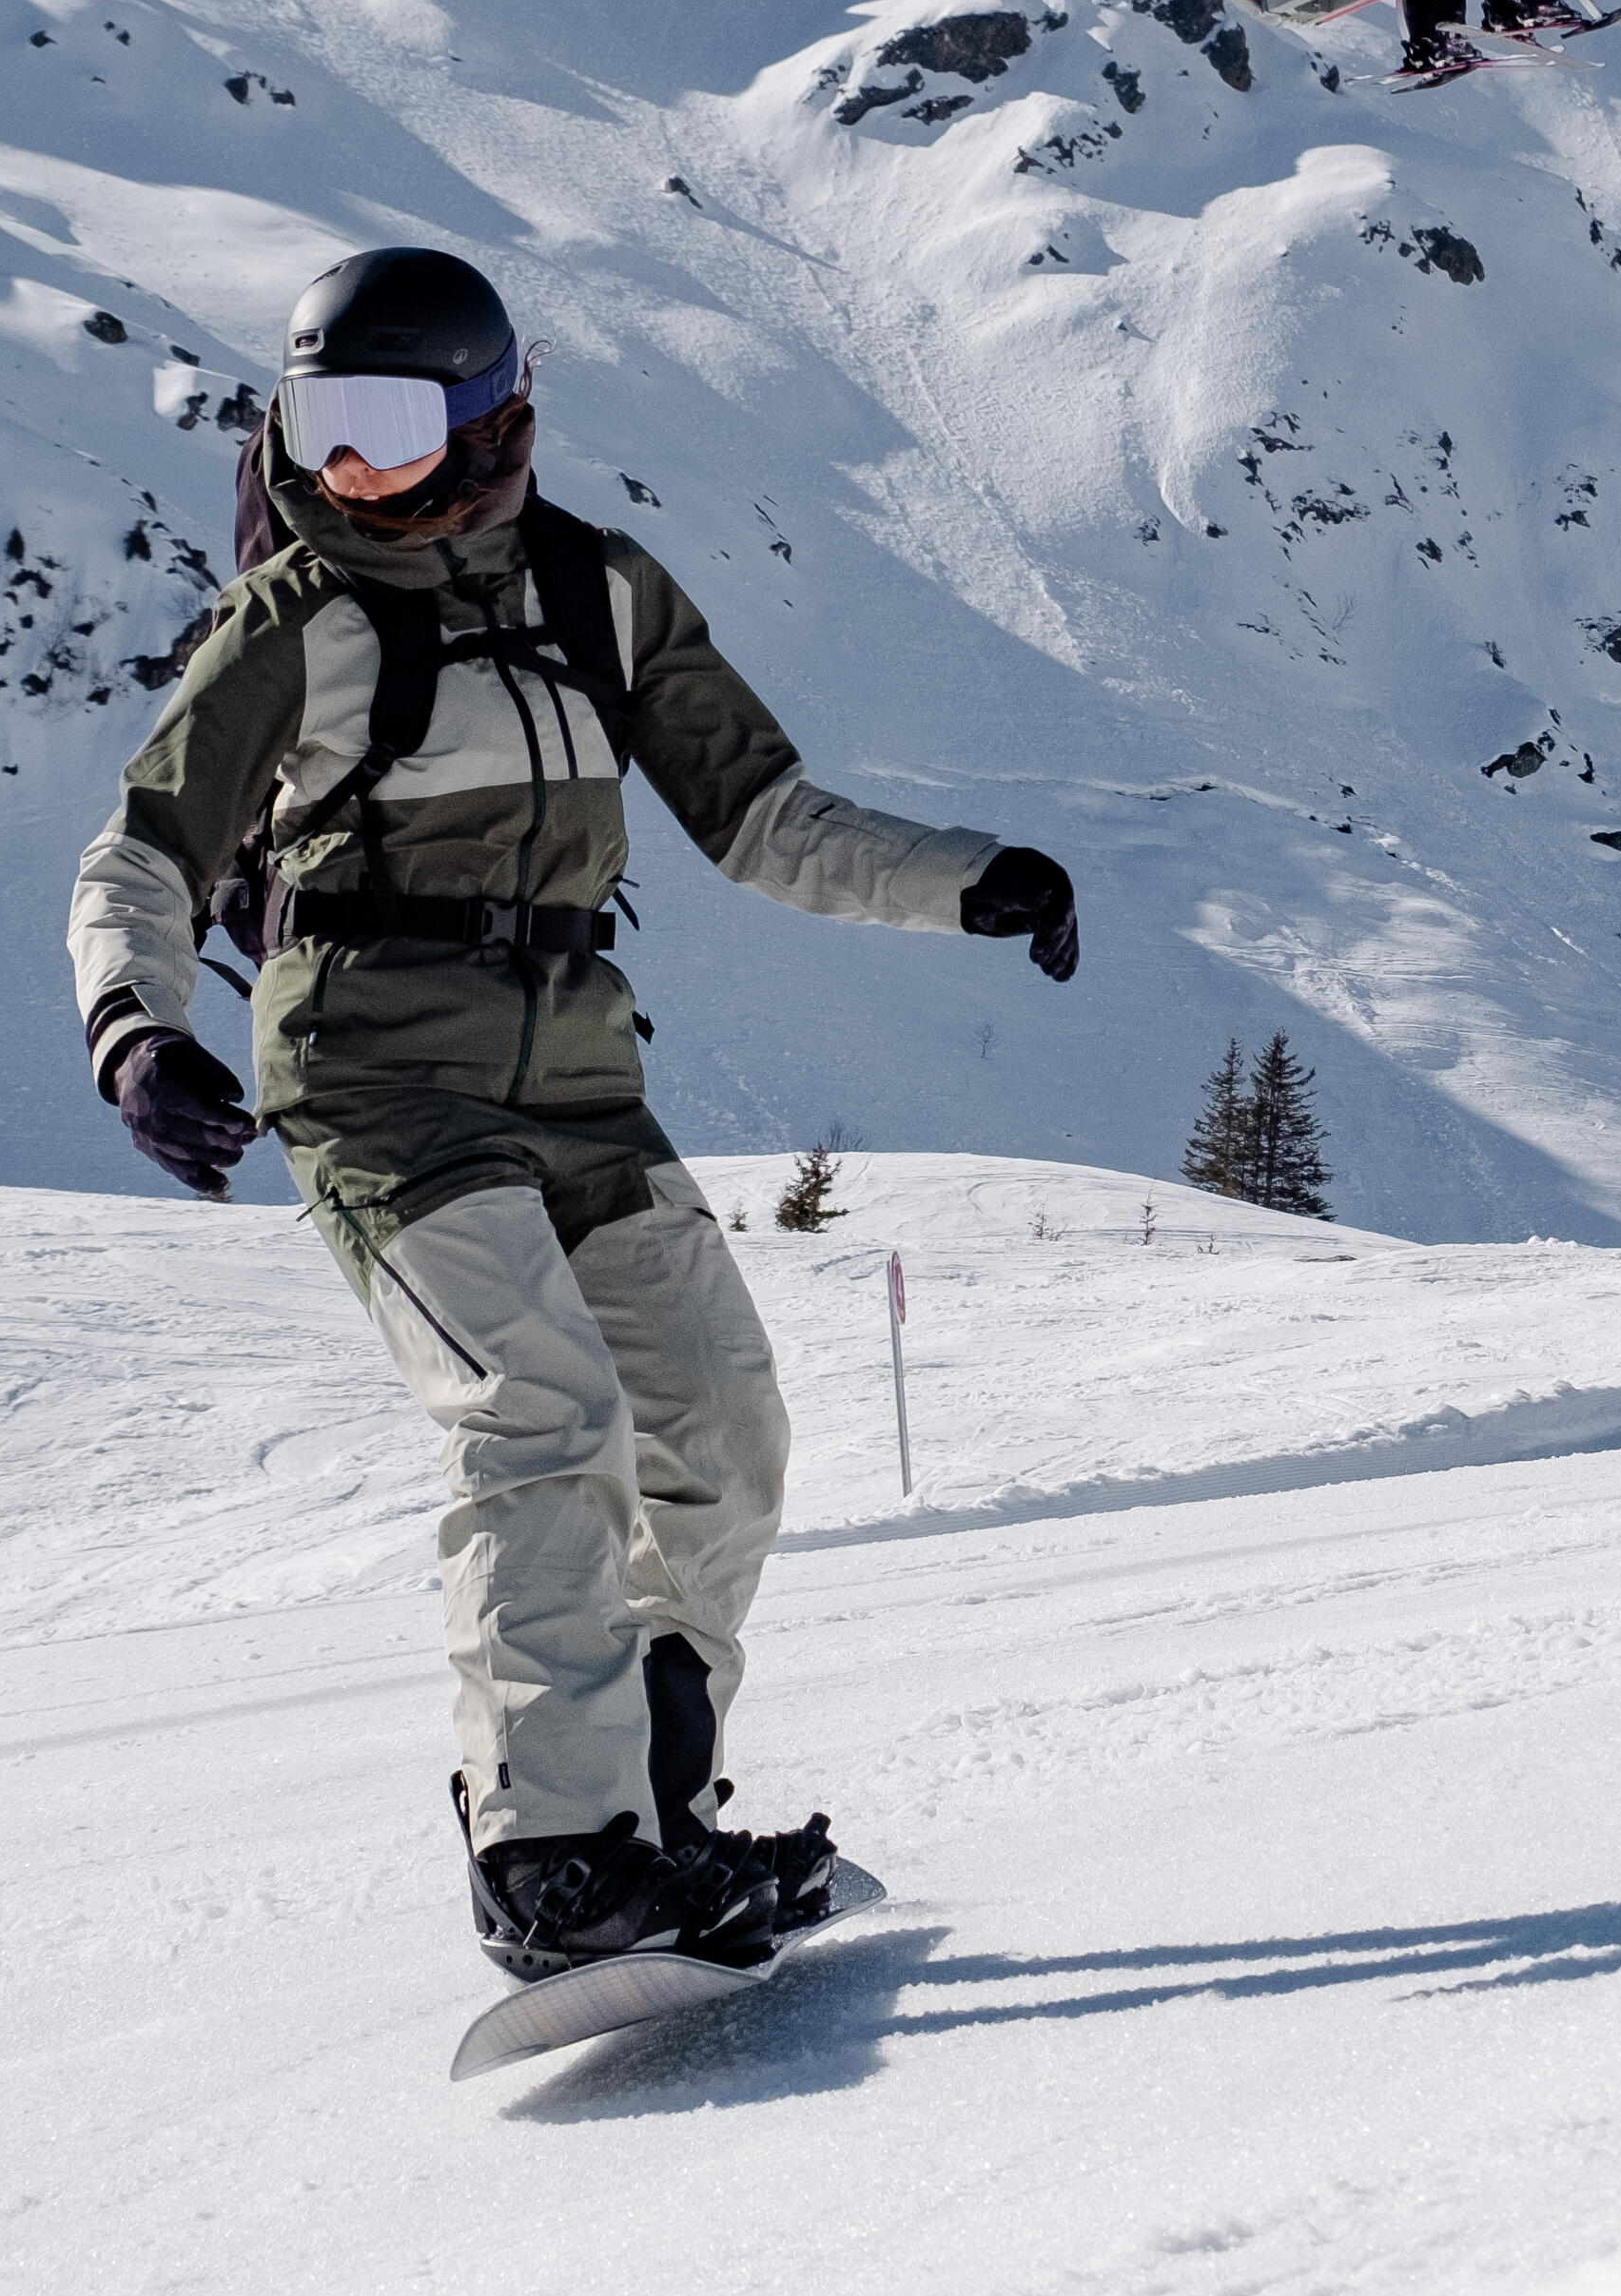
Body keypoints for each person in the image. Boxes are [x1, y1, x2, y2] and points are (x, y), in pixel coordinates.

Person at [68, 246, 1087, 1981]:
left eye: (386, 431)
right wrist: (135, 1030)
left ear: (485, 417)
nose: (344, 477)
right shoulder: (291, 625)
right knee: (536, 1416)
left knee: (721, 1425)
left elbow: (762, 814)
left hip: (577, 1074)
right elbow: (142, 854)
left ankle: (652, 1790)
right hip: (376, 1077)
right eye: (317, 433)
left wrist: (971, 882)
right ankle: (548, 1855)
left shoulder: (593, 593)